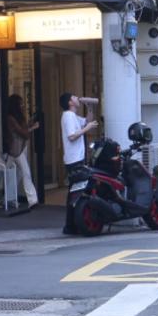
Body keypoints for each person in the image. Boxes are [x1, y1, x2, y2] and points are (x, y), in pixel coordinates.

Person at [60, 92, 99, 234]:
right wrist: (87, 129)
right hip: (73, 160)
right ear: (70, 102)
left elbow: (87, 121)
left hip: (76, 158)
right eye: (75, 97)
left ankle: (70, 225)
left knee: (74, 192)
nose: (77, 98)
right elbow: (72, 136)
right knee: (74, 193)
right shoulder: (68, 116)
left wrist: (89, 107)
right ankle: (70, 225)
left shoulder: (72, 116)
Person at [5, 94, 40, 209]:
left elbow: (22, 131)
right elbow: (23, 133)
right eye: (20, 103)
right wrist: (32, 128)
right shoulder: (11, 118)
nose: (22, 105)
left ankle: (8, 199)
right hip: (16, 150)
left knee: (16, 175)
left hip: (16, 149)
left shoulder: (16, 117)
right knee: (25, 173)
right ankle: (32, 200)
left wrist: (29, 125)